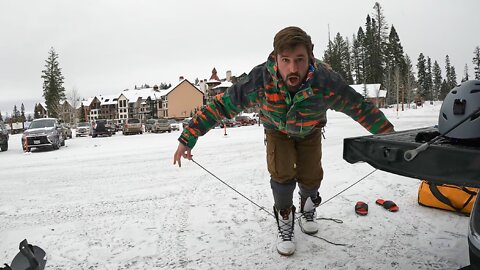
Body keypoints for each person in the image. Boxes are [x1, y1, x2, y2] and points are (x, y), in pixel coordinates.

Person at [173, 26, 395, 256]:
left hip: (310, 129)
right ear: (275, 58)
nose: (292, 68)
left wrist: (390, 137)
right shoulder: (259, 80)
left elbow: (360, 107)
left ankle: (308, 209)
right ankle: (285, 218)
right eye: (285, 60)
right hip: (276, 130)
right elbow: (221, 105)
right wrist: (189, 137)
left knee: (311, 174)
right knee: (282, 172)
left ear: (310, 57)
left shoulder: (326, 81)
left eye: (300, 59)